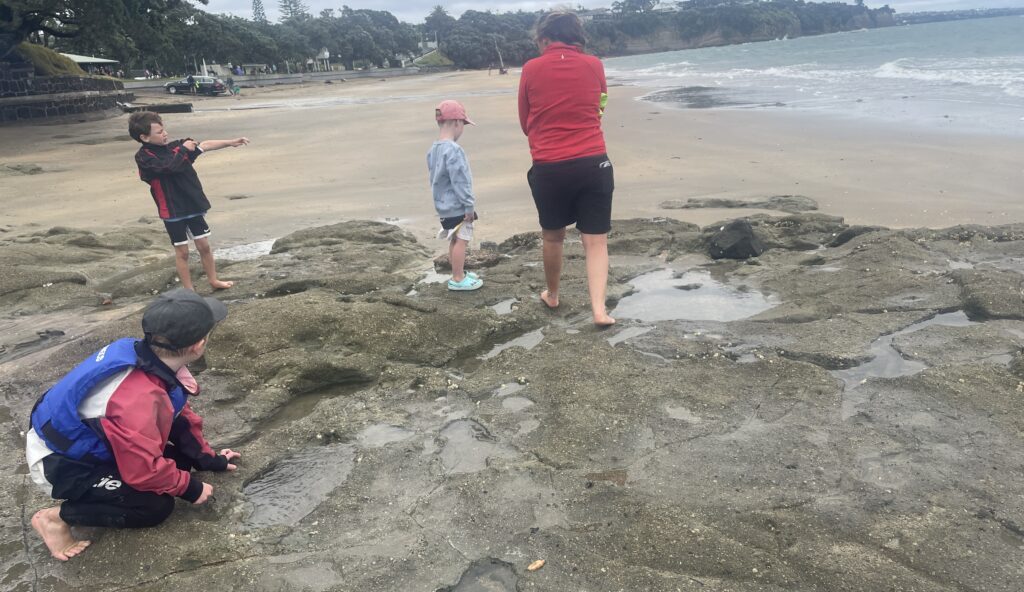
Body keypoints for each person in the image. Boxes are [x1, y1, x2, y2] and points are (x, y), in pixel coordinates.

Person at [25, 289, 241, 561]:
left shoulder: (149, 357)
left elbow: (179, 417)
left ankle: (166, 477)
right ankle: (55, 519)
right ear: (198, 346)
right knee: (154, 506)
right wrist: (190, 489)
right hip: (62, 464)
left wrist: (209, 460)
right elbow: (142, 472)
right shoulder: (136, 399)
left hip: (100, 444)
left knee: (181, 466)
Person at [518, 11, 616, 327]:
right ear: (577, 37)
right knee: (596, 240)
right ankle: (599, 310)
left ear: (544, 38)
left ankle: (553, 294)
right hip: (593, 161)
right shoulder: (594, 65)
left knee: (553, 236)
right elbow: (600, 106)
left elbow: (525, 121)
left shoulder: (531, 69)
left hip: (549, 165)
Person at [129, 111, 248, 291]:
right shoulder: (144, 157)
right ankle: (189, 290)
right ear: (144, 137)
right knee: (182, 252)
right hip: (171, 210)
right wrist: (184, 149)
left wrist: (230, 142)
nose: (165, 134)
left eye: (164, 130)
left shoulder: (175, 147)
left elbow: (204, 145)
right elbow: (169, 167)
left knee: (204, 246)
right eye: (159, 132)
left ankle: (214, 280)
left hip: (192, 204)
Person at [428, 100, 483, 291]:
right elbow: (460, 181)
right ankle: (458, 279)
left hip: (443, 205)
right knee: (462, 239)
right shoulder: (454, 150)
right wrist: (469, 206)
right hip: (458, 205)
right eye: (464, 125)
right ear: (457, 123)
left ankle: (456, 273)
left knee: (454, 238)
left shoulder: (433, 149)